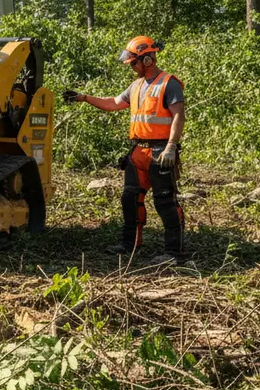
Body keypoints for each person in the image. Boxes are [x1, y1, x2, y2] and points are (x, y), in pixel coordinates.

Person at [63, 36, 186, 263]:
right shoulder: (136, 85)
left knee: (165, 201)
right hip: (138, 151)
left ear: (147, 60)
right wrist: (84, 97)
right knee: (129, 198)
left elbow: (179, 114)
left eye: (133, 63)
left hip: (161, 152)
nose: (131, 67)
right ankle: (130, 245)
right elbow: (113, 103)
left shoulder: (169, 83)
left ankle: (172, 253)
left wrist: (171, 146)